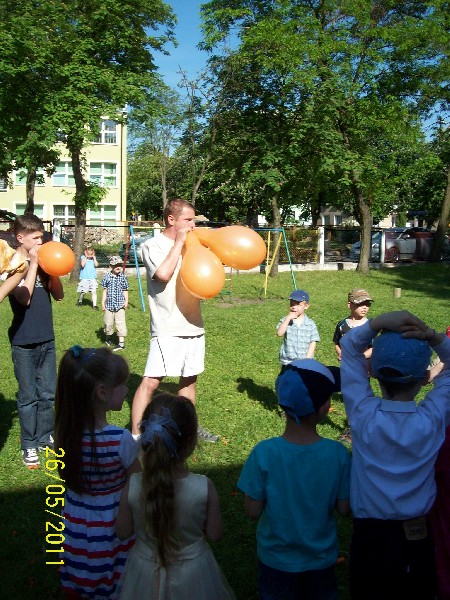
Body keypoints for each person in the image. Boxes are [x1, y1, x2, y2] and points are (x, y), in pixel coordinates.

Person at [340, 310, 450, 600]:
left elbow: (350, 348)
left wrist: (376, 323)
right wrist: (434, 337)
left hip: (370, 536)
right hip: (418, 534)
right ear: (425, 377)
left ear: (373, 370)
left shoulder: (362, 414)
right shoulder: (433, 419)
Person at [238, 359, 351, 600]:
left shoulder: (264, 452)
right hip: (321, 559)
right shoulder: (338, 454)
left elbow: (252, 510)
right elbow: (344, 508)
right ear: (324, 407)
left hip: (276, 560)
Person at [116, 393, 235, 600]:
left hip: (144, 573)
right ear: (190, 443)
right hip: (193, 576)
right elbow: (215, 534)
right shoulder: (203, 487)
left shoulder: (133, 484)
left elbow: (123, 531)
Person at [55, 345, 140, 599]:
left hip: (76, 521)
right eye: (122, 384)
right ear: (102, 392)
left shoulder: (64, 435)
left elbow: (65, 475)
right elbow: (138, 481)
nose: (126, 390)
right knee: (115, 574)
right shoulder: (120, 439)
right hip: (113, 521)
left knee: (83, 571)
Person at [131, 198, 218, 442]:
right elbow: (163, 274)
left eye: (193, 220)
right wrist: (179, 242)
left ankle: (189, 428)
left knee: (189, 380)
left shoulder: (195, 244)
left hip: (193, 323)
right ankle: (135, 436)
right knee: (151, 381)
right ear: (171, 219)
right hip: (167, 325)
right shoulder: (152, 245)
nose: (193, 225)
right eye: (188, 220)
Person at [8, 213, 64, 469]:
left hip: (46, 338)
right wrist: (32, 265)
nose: (41, 243)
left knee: (48, 394)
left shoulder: (43, 262)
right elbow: (24, 298)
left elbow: (59, 296)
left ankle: (45, 437)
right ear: (21, 238)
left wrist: (53, 272)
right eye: (36, 238)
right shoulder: (12, 264)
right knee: (28, 397)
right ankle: (29, 444)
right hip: (24, 341)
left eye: (42, 237)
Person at [277, 290, 320, 366]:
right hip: (287, 361)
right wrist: (288, 318)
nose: (294, 307)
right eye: (292, 304)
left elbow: (313, 342)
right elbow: (279, 333)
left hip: (304, 361)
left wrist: (308, 359)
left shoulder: (310, 324)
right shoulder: (285, 320)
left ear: (306, 306)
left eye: (298, 305)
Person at [333, 288, 373, 361]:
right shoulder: (342, 325)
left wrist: (359, 358)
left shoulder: (370, 327)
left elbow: (373, 348)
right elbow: (337, 344)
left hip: (365, 365)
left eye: (367, 304)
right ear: (349, 305)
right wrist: (341, 355)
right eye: (360, 304)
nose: (364, 307)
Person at [101, 255, 129, 352]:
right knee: (108, 323)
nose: (118, 267)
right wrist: (103, 303)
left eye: (120, 265)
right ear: (110, 266)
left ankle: (121, 344)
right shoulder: (107, 277)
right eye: (115, 265)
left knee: (120, 323)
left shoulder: (123, 277)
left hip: (120, 305)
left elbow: (125, 290)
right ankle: (108, 338)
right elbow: (105, 291)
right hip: (109, 305)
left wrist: (126, 301)